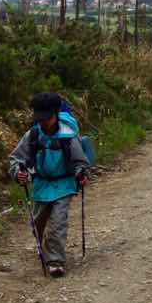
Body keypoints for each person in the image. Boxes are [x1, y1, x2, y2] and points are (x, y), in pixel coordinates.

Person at [9, 92, 89, 277]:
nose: (44, 122)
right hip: (41, 184)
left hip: (64, 183)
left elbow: (80, 161)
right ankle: (47, 245)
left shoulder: (68, 135)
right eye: (40, 118)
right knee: (38, 223)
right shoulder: (33, 134)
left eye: (47, 118)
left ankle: (56, 261)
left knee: (58, 222)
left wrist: (82, 173)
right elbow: (16, 159)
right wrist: (18, 173)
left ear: (56, 113)